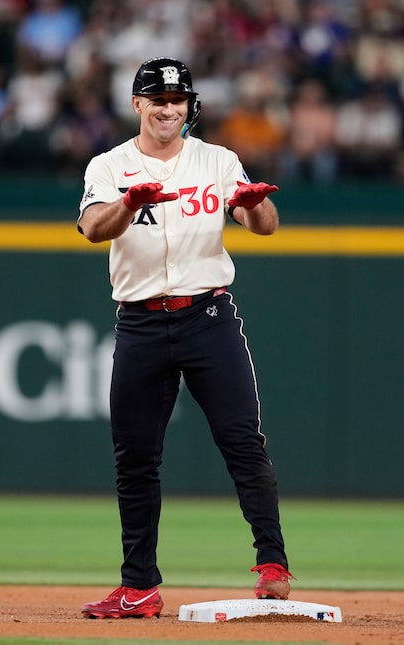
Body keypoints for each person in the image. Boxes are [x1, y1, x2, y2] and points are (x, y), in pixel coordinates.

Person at [78, 56, 293, 620]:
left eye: (178, 100)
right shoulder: (109, 165)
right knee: (136, 458)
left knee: (242, 439)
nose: (169, 108)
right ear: (137, 104)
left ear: (188, 106)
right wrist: (129, 202)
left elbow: (265, 225)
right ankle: (138, 586)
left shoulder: (218, 160)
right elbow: (94, 229)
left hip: (209, 317)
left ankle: (272, 565)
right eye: (158, 99)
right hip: (141, 322)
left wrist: (253, 204)